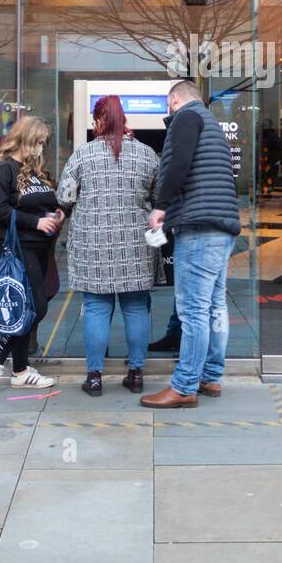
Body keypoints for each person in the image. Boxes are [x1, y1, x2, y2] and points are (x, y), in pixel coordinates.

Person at [141, 81, 241, 409]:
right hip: (221, 226)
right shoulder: (210, 123)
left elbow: (178, 164)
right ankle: (210, 376)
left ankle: (184, 386)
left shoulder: (186, 117)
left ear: (174, 99)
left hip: (199, 228)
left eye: (167, 104)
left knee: (193, 309)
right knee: (213, 305)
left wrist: (161, 205)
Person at [57, 94, 162, 395]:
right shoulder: (146, 154)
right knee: (135, 307)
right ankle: (136, 374)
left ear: (101, 120)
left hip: (94, 246)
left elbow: (64, 197)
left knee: (96, 308)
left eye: (95, 120)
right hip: (135, 245)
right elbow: (159, 196)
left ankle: (94, 377)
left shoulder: (83, 155)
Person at [0, 116, 64, 393]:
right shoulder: (2, 169)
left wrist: (55, 213)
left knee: (27, 306)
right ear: (24, 139)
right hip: (18, 247)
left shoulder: (32, 170)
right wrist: (36, 222)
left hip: (39, 248)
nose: (40, 148)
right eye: (37, 142)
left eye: (42, 143)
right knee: (34, 307)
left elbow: (42, 201)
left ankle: (21, 370)